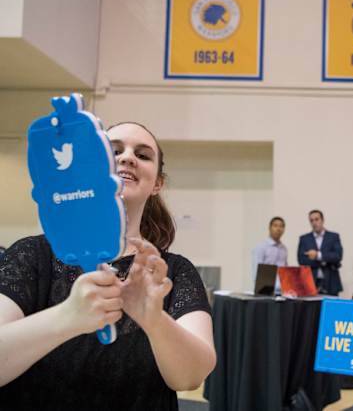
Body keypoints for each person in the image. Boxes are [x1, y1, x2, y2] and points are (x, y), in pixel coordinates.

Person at [0, 122, 216, 410]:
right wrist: (67, 317)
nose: (127, 158)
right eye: (113, 150)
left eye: (143, 155)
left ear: (157, 184)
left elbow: (190, 377)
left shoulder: (175, 271)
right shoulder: (32, 255)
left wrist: (154, 321)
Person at [298, 210, 343, 295]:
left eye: (316, 219)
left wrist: (318, 255)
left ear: (322, 220)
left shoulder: (334, 237)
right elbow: (301, 260)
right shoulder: (304, 239)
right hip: (311, 282)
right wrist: (326, 261)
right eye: (311, 220)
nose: (314, 223)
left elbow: (338, 256)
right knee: (311, 308)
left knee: (331, 308)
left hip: (331, 282)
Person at [251, 216, 288, 288]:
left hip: (281, 289)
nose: (278, 229)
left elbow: (285, 270)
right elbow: (256, 270)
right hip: (265, 288)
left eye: (281, 226)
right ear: (270, 228)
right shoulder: (261, 247)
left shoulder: (284, 249)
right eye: (275, 226)